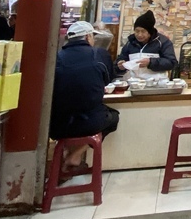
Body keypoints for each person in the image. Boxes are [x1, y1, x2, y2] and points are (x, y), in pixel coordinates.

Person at [50, 21, 120, 174]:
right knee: (113, 117)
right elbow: (108, 80)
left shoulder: (56, 58)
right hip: (89, 122)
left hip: (57, 125)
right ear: (88, 37)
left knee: (75, 115)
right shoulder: (99, 54)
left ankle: (67, 156)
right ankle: (76, 156)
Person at [116, 10, 177, 75]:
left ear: (150, 32)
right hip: (134, 81)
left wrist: (151, 62)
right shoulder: (130, 42)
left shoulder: (163, 42)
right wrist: (120, 65)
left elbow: (171, 63)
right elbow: (120, 59)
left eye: (143, 31)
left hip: (157, 81)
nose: (139, 35)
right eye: (137, 31)